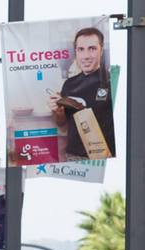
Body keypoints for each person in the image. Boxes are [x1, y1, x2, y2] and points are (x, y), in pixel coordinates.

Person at [49, 27, 114, 161]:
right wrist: (58, 112)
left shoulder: (111, 81)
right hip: (74, 156)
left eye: (92, 49)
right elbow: (62, 123)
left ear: (101, 50)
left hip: (104, 156)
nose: (86, 56)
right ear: (76, 52)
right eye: (81, 49)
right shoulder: (69, 84)